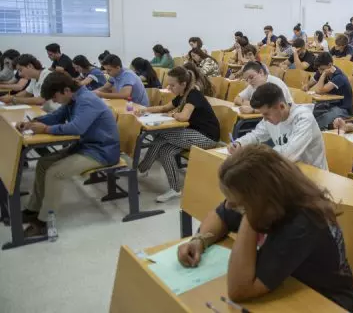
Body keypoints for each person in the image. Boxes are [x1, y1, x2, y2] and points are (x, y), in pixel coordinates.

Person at [176, 145, 353, 311]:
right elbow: (221, 215)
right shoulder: (272, 197)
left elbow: (239, 290)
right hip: (289, 285)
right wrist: (200, 240)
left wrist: (250, 214)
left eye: (239, 202)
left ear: (260, 198)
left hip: (324, 302)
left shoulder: (302, 221)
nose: (229, 205)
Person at [17, 71, 120, 237]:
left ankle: (44, 221)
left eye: (55, 98)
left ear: (66, 90)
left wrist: (46, 129)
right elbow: (57, 116)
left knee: (56, 173)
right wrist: (34, 122)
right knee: (43, 163)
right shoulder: (74, 98)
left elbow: (76, 128)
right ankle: (33, 209)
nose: (55, 101)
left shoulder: (86, 101)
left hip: (102, 151)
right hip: (86, 146)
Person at [135, 67, 220, 202]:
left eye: (172, 85)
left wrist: (173, 114)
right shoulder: (182, 95)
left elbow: (184, 117)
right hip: (191, 133)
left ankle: (142, 168)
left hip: (206, 137)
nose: (169, 88)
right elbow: (164, 108)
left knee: (161, 135)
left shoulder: (193, 94)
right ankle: (175, 189)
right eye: (168, 84)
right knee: (165, 151)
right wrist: (145, 109)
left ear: (183, 84)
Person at [229, 83, 328, 169]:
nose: (264, 118)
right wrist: (239, 144)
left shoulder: (304, 118)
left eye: (266, 114)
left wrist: (258, 154)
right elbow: (256, 136)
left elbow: (289, 155)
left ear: (281, 106)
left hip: (312, 175)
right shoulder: (271, 118)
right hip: (287, 171)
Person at [304, 53, 353, 129]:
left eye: (322, 69)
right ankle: (308, 129)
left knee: (323, 118)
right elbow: (309, 85)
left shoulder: (339, 76)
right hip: (329, 105)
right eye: (319, 69)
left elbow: (319, 90)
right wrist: (306, 86)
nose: (320, 72)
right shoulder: (322, 70)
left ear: (330, 65)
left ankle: (312, 131)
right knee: (309, 111)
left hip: (343, 108)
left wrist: (323, 74)